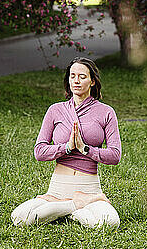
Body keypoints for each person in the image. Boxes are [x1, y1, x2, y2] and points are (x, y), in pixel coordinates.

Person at [10, 57, 122, 229]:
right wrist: (67, 147)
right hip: (57, 189)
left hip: (89, 188)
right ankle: (73, 206)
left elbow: (115, 155)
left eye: (82, 77)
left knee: (110, 222)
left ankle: (76, 206)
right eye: (72, 76)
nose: (76, 81)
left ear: (92, 81)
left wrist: (85, 149)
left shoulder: (106, 112)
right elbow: (39, 152)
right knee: (19, 218)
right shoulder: (55, 110)